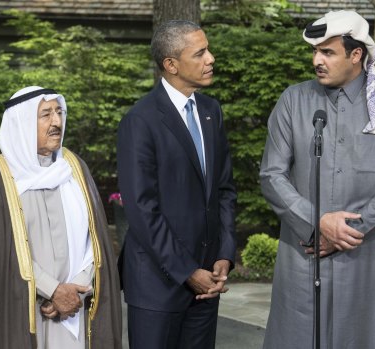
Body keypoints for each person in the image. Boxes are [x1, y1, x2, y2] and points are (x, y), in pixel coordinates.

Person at [260, 10, 375, 349]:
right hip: (305, 250)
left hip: (367, 253)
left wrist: (350, 230)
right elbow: (272, 175)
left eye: (327, 52)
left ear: (356, 54)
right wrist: (316, 221)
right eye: (314, 51)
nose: (317, 60)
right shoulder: (293, 100)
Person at [117, 20, 237, 349]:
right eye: (199, 53)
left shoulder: (211, 111)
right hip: (157, 285)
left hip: (207, 284)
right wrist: (187, 271)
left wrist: (224, 255)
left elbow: (224, 190)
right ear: (171, 64)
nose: (210, 58)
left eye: (208, 50)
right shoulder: (140, 120)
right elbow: (142, 209)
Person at [0, 86, 122, 348]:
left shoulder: (73, 165)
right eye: (46, 114)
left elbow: (95, 237)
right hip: (27, 306)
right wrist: (52, 290)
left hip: (78, 303)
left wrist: (77, 288)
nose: (57, 122)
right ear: (23, 123)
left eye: (59, 112)